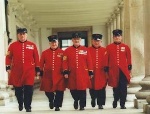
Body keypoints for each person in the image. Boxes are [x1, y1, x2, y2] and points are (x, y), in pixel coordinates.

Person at [5, 28, 40, 112]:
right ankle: (20, 103)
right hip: (17, 71)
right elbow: (8, 57)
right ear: (18, 35)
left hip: (29, 71)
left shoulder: (32, 45)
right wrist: (8, 67)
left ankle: (28, 106)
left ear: (26, 35)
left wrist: (37, 69)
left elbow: (36, 57)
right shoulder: (12, 45)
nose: (22, 35)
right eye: (20, 34)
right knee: (18, 90)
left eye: (24, 34)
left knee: (29, 89)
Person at [62, 32, 93, 111]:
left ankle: (82, 105)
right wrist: (65, 71)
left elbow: (89, 61)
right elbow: (64, 61)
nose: (76, 40)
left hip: (83, 73)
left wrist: (90, 71)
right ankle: (76, 100)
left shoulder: (85, 50)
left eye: (78, 39)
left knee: (82, 90)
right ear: (72, 40)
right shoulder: (67, 50)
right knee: (73, 90)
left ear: (80, 40)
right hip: (72, 73)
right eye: (75, 39)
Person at [104, 29, 132, 109]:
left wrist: (129, 67)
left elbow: (129, 57)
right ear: (113, 37)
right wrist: (106, 68)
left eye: (118, 36)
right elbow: (106, 58)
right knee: (115, 87)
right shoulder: (109, 47)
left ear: (121, 37)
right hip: (113, 70)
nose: (117, 38)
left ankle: (122, 104)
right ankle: (116, 100)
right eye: (115, 36)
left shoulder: (125, 47)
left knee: (123, 88)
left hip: (123, 71)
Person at [39, 35, 65, 111]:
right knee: (47, 91)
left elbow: (65, 63)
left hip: (59, 75)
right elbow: (41, 63)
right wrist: (40, 71)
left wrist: (65, 71)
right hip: (48, 75)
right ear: (49, 43)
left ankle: (57, 105)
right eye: (52, 43)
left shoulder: (62, 52)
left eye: (55, 42)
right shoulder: (45, 53)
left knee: (60, 91)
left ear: (58, 42)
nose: (54, 44)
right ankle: (51, 99)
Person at [88, 34, 107, 109]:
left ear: (101, 41)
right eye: (95, 41)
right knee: (92, 87)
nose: (96, 42)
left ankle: (100, 103)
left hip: (101, 72)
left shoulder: (105, 50)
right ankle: (93, 98)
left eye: (98, 41)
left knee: (102, 88)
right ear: (92, 41)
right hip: (92, 72)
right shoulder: (88, 50)